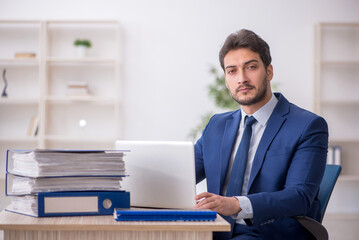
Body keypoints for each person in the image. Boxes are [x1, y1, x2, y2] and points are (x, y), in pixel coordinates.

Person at [193, 29, 328, 240]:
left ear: (269, 71)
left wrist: (236, 204)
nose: (242, 78)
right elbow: (183, 173)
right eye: (232, 71)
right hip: (216, 231)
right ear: (226, 79)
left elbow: (299, 196)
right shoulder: (216, 125)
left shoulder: (308, 126)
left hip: (269, 233)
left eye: (251, 67)